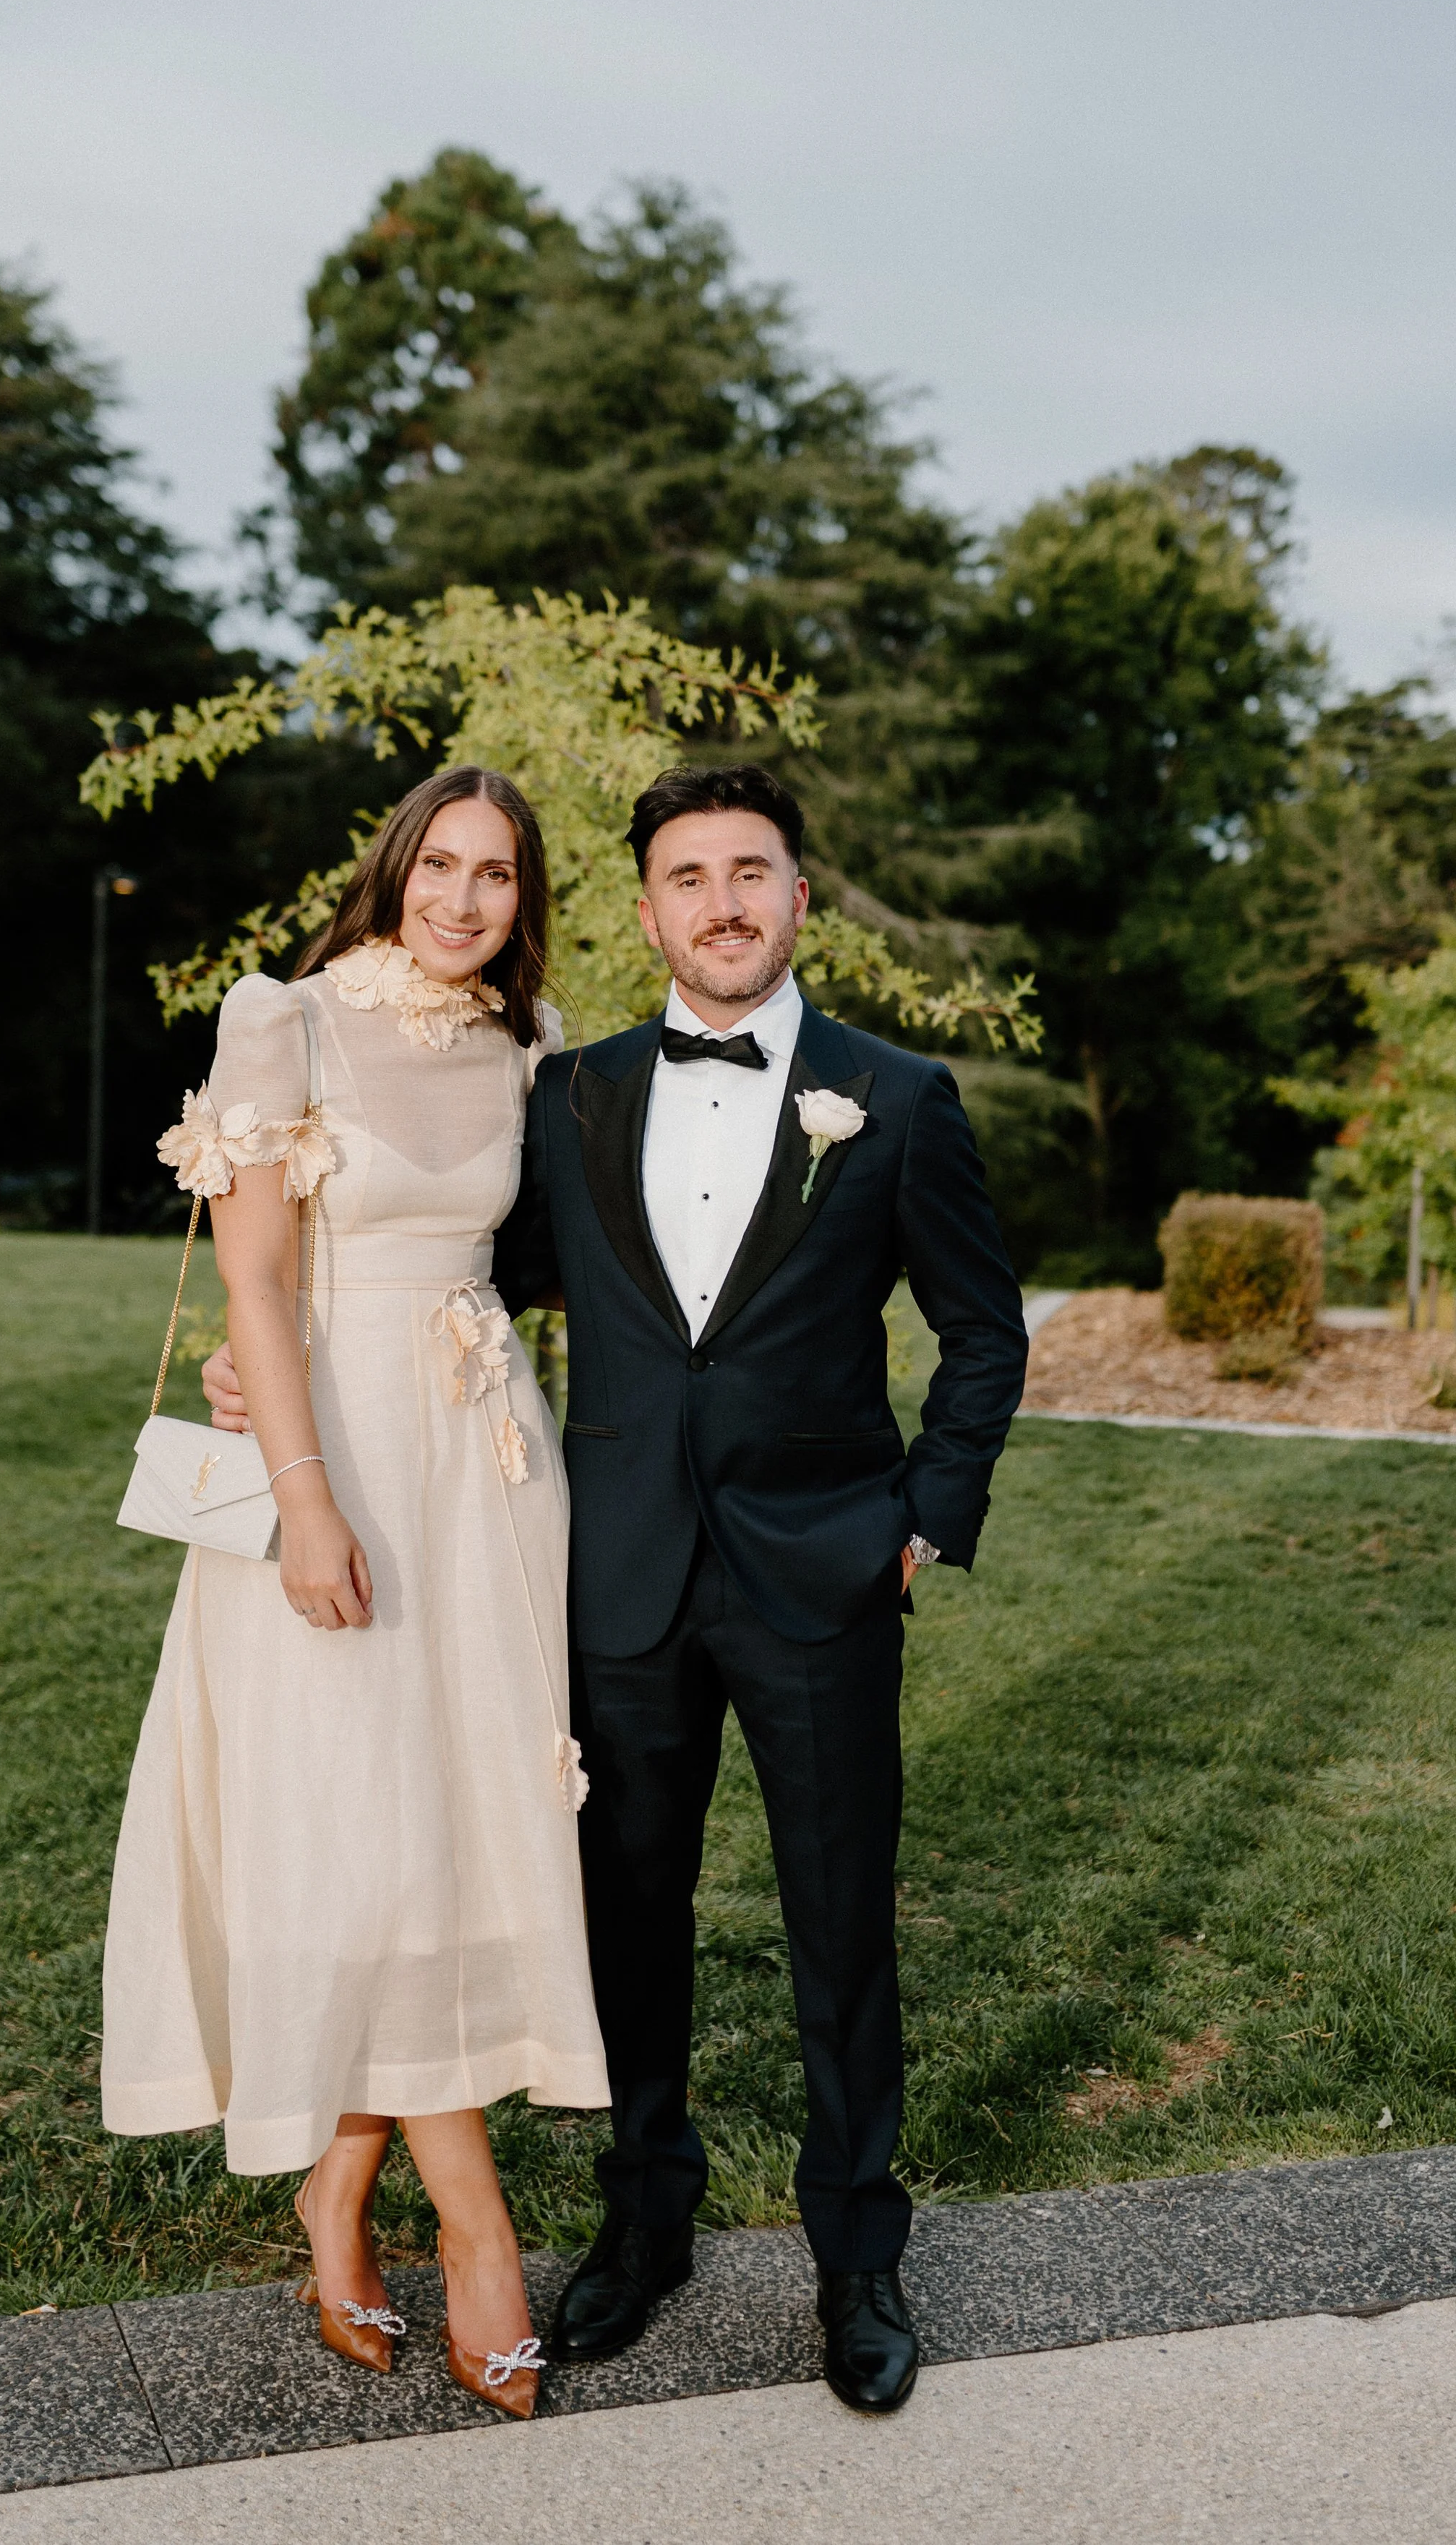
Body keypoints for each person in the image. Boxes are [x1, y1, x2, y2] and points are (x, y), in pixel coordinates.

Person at [207, 758, 1028, 2416]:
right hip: (605, 1571)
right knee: (622, 1925)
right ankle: (643, 2222)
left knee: (838, 1933)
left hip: (820, 1578)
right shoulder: (565, 1093)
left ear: (797, 896)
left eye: (750, 872)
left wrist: (919, 1516)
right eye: (685, 877)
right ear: (646, 907)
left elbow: (982, 1331)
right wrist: (267, 1370)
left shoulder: (896, 1096)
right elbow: (451, 1274)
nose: (720, 904)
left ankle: (856, 2260)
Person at [104, 764, 607, 2424]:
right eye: (440, 866)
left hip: (485, 1473)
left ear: (525, 902)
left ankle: (337, 2191)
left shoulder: (525, 1051)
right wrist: (302, 1495)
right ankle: (477, 2231)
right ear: (394, 870)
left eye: (498, 877)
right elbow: (252, 1273)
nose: (464, 901)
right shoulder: (288, 1022)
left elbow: (531, 1263)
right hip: (341, 1470)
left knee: (453, 1827)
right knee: (361, 1829)